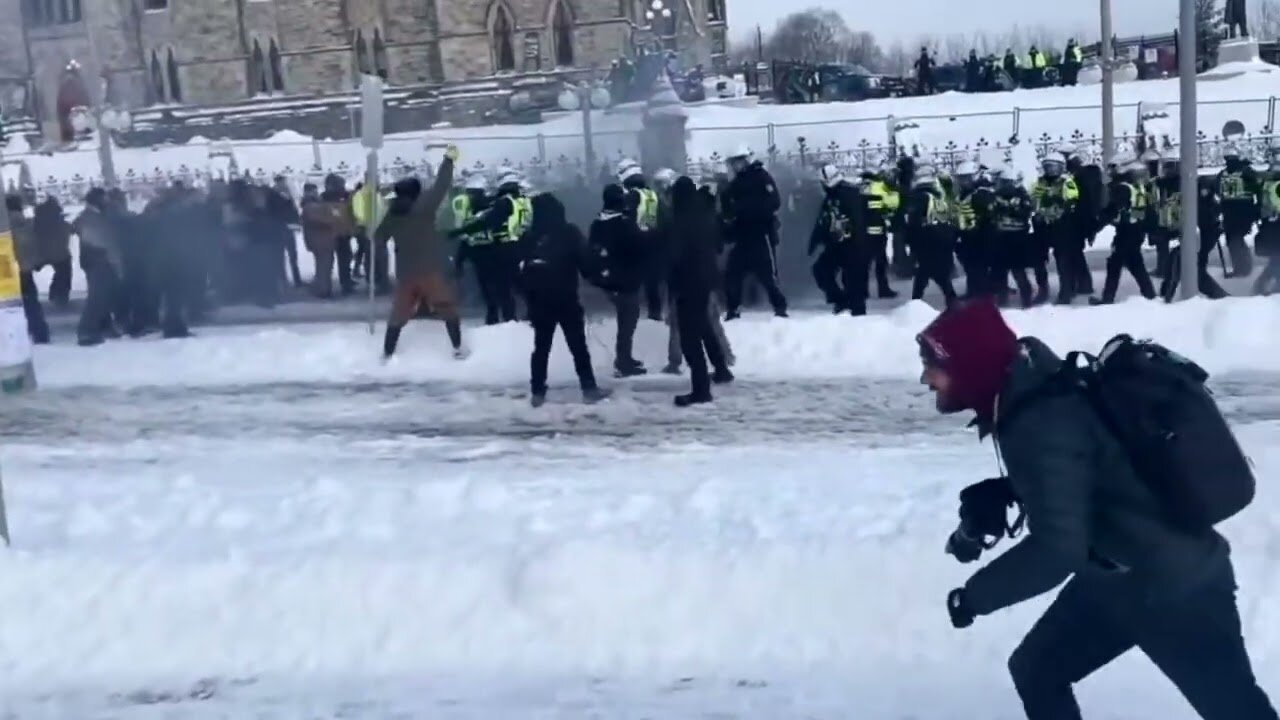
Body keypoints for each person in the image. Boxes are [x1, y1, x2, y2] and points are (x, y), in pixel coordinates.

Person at [917, 298, 1277, 720]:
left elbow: (1057, 549)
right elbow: (1084, 467)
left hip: (1174, 588)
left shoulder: (1038, 418)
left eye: (935, 365)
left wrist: (973, 597)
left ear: (971, 366)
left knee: (1236, 710)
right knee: (1037, 668)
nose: (926, 378)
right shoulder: (1034, 388)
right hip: (1118, 578)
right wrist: (1011, 491)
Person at [518, 192, 610, 407]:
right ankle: (588, 388)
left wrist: (527, 296)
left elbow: (519, 271)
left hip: (539, 301)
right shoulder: (569, 233)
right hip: (566, 298)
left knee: (541, 347)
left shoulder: (529, 236)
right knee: (578, 346)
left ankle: (537, 392)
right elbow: (585, 263)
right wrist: (602, 278)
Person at [377, 145, 466, 360]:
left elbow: (378, 238)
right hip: (428, 269)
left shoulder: (392, 213)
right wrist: (448, 160)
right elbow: (441, 185)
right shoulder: (424, 206)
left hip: (405, 272)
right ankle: (457, 348)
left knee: (398, 313)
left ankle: (387, 353)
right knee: (446, 307)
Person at [668, 176, 733, 407]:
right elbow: (719, 243)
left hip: (687, 283)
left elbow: (674, 255)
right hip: (706, 279)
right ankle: (722, 369)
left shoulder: (680, 220)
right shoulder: (706, 215)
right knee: (704, 326)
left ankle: (701, 389)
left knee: (689, 338)